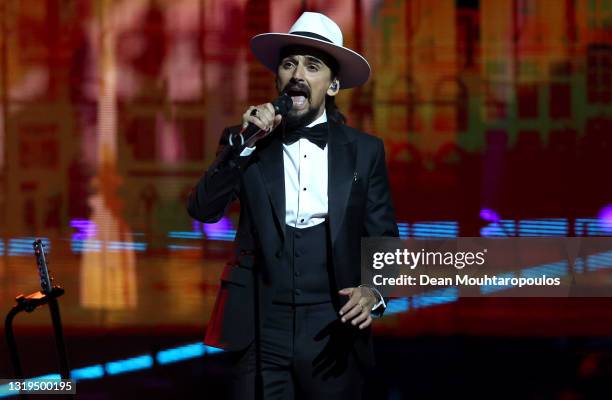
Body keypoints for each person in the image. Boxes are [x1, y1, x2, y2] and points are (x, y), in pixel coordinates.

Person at [187, 12, 398, 400]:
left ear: (332, 85)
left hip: (332, 328)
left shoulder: (365, 152)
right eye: (289, 63)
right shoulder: (245, 143)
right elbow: (202, 210)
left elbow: (384, 239)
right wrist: (246, 144)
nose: (297, 73)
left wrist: (374, 293)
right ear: (278, 79)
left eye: (312, 66)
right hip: (259, 326)